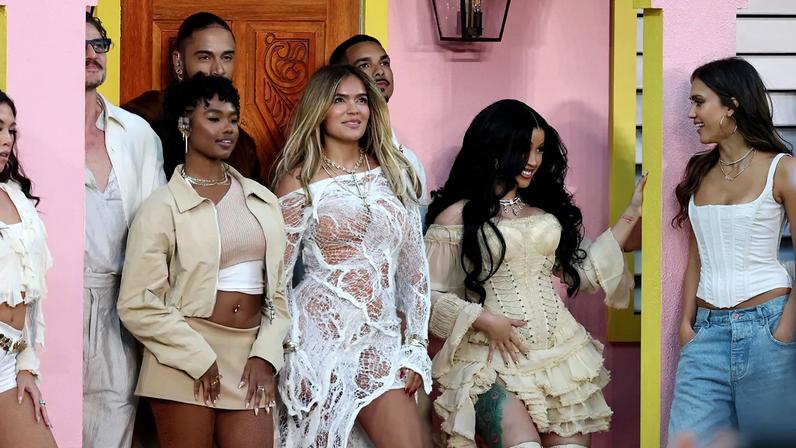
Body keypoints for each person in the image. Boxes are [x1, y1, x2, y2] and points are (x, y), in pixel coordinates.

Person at [424, 99, 644, 448]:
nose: (534, 161)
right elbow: (427, 299)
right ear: (493, 147)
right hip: (490, 361)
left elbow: (585, 273)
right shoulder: (455, 218)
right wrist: (482, 319)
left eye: (540, 150)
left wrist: (632, 212)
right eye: (524, 149)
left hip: (560, 358)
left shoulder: (543, 212)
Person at [117, 73, 290, 448]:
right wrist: (196, 355)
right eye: (213, 118)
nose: (227, 128)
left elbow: (279, 295)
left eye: (232, 118)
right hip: (184, 356)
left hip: (249, 357)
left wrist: (267, 354)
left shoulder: (262, 199)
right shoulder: (160, 208)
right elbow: (136, 303)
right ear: (184, 124)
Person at [273, 64, 431, 447]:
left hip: (381, 341)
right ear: (319, 109)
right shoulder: (298, 179)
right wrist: (291, 354)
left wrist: (416, 347)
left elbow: (415, 270)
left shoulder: (395, 172)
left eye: (361, 100)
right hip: (318, 339)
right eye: (339, 100)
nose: (353, 110)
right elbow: (275, 279)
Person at [669, 57, 796, 447]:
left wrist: (785, 331)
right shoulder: (698, 172)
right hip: (705, 336)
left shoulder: (783, 169)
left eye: (699, 102)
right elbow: (697, 256)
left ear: (732, 105)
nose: (691, 113)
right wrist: (686, 325)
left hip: (768, 330)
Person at [83, 12, 166, 448]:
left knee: (113, 429)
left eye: (99, 44)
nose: (91, 53)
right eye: (80, 44)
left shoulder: (136, 133)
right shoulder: (29, 131)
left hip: (122, 304)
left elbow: (159, 226)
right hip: (55, 301)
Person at [123, 11, 262, 183]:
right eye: (205, 57)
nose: (218, 70)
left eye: (226, 57)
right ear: (178, 62)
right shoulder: (144, 118)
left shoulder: (242, 145)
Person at [0, 90, 55, 448]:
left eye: (12, 130)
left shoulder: (14, 194)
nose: (6, 139)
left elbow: (32, 291)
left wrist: (26, 365)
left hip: (8, 359)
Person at [329, 34, 428, 204]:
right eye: (365, 65)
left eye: (384, 63)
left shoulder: (408, 159)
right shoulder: (329, 162)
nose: (380, 71)